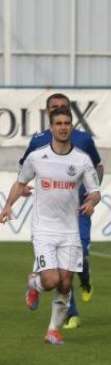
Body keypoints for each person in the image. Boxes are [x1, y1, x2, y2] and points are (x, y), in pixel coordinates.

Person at [1, 107, 102, 345]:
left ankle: (53, 331)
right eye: (59, 123)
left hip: (70, 230)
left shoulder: (82, 160)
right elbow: (20, 182)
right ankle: (33, 283)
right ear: (51, 128)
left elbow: (95, 191)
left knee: (66, 282)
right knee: (51, 281)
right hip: (44, 230)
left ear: (71, 127)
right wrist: (7, 206)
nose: (63, 127)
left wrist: (91, 202)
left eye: (67, 123)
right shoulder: (37, 157)